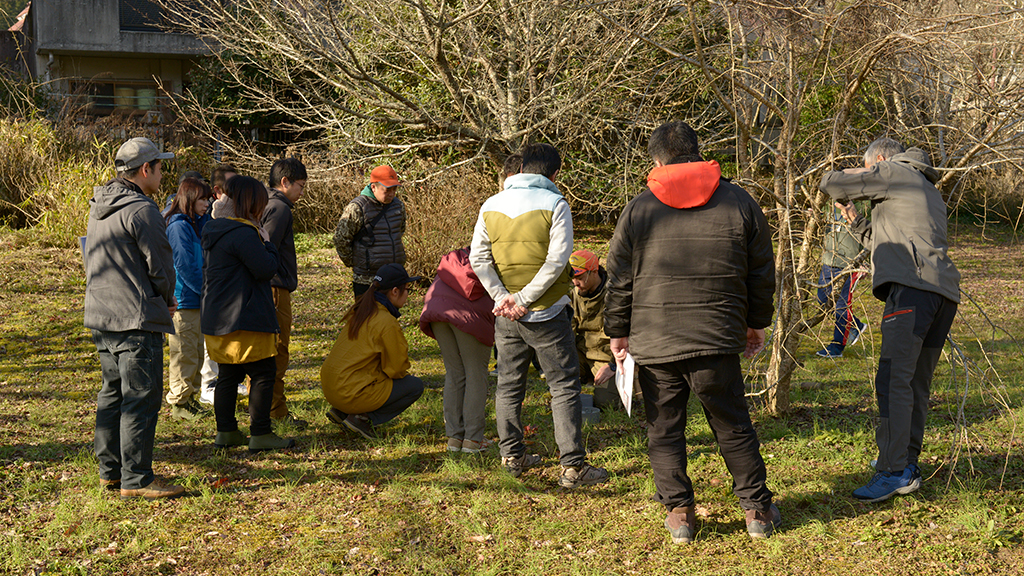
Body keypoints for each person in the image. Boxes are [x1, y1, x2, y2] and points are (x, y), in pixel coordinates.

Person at [604, 121, 778, 541]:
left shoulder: (639, 209)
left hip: (655, 338)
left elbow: (619, 277)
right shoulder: (738, 201)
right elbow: (760, 272)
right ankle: (756, 511)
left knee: (664, 428)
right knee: (732, 424)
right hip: (717, 336)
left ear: (657, 161)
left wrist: (617, 330)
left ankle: (680, 513)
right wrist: (756, 323)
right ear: (697, 152)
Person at [820, 137, 960, 503]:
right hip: (940, 295)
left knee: (892, 380)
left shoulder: (894, 171)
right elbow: (886, 242)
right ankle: (905, 463)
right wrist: (857, 221)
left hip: (911, 292)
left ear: (879, 161)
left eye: (871, 170)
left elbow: (831, 182)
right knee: (913, 383)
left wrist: (858, 178)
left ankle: (894, 469)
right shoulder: (926, 187)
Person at [470, 143, 608, 489]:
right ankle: (573, 468)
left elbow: (479, 260)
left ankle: (511, 457)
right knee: (563, 386)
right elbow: (558, 261)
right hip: (545, 312)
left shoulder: (491, 204)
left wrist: (504, 299)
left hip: (506, 315)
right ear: (554, 174)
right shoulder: (555, 204)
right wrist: (524, 299)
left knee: (508, 384)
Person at [84, 136, 184, 500]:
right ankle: (137, 478)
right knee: (141, 397)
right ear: (145, 170)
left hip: (102, 314)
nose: (162, 174)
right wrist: (168, 298)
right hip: (135, 318)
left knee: (112, 394)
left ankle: (109, 473)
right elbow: (161, 267)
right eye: (160, 167)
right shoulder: (142, 211)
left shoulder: (99, 205)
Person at [201, 175, 295, 452]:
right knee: (264, 372)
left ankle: (226, 432)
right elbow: (266, 268)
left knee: (229, 376)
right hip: (246, 315)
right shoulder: (244, 233)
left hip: (218, 316)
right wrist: (266, 241)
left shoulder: (214, 230)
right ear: (251, 204)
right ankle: (261, 433)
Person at [321, 264, 425, 440]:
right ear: (394, 291)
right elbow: (397, 369)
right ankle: (361, 419)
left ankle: (343, 412)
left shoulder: (361, 311)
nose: (408, 295)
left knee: (371, 369)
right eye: (407, 289)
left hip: (331, 388)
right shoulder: (386, 321)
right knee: (414, 386)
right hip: (349, 392)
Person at [419, 247, 496, 453]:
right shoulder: (495, 259)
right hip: (468, 315)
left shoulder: (459, 257)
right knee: (475, 373)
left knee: (454, 372)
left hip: (436, 310)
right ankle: (472, 439)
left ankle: (454, 438)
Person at [261, 157, 308, 430]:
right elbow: (269, 249)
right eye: (300, 186)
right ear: (284, 182)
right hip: (276, 288)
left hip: (271, 286)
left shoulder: (265, 203)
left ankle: (268, 406)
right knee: (278, 350)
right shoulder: (280, 209)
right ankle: (275, 410)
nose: (302, 192)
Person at [164, 177, 214, 420]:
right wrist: (205, 290)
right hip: (184, 300)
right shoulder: (178, 226)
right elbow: (184, 265)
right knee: (184, 353)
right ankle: (179, 402)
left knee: (195, 352)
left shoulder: (198, 223)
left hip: (198, 300)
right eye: (203, 198)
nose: (207, 203)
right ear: (190, 199)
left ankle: (190, 398)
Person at [199, 163, 240, 405]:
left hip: (229, 288)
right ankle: (209, 383)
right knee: (210, 340)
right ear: (217, 191)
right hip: (210, 289)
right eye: (231, 188)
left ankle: (228, 380)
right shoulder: (208, 219)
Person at [333, 165, 407, 297]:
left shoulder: (398, 206)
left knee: (390, 316)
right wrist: (355, 262)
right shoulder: (357, 208)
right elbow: (341, 239)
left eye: (394, 189)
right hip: (367, 279)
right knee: (367, 317)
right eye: (387, 190)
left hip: (392, 277)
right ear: (373, 187)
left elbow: (400, 231)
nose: (391, 194)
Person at [568, 249, 620, 410]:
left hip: (608, 358)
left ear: (594, 272)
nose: (575, 283)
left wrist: (613, 366)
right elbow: (568, 329)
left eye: (580, 278)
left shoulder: (615, 293)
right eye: (572, 278)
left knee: (606, 404)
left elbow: (629, 334)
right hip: (582, 353)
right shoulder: (574, 294)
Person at [815, 202, 868, 358]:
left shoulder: (863, 205)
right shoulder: (827, 204)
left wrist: (865, 260)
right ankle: (855, 325)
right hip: (828, 261)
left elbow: (873, 234)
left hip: (849, 264)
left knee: (842, 307)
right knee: (822, 299)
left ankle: (837, 347)